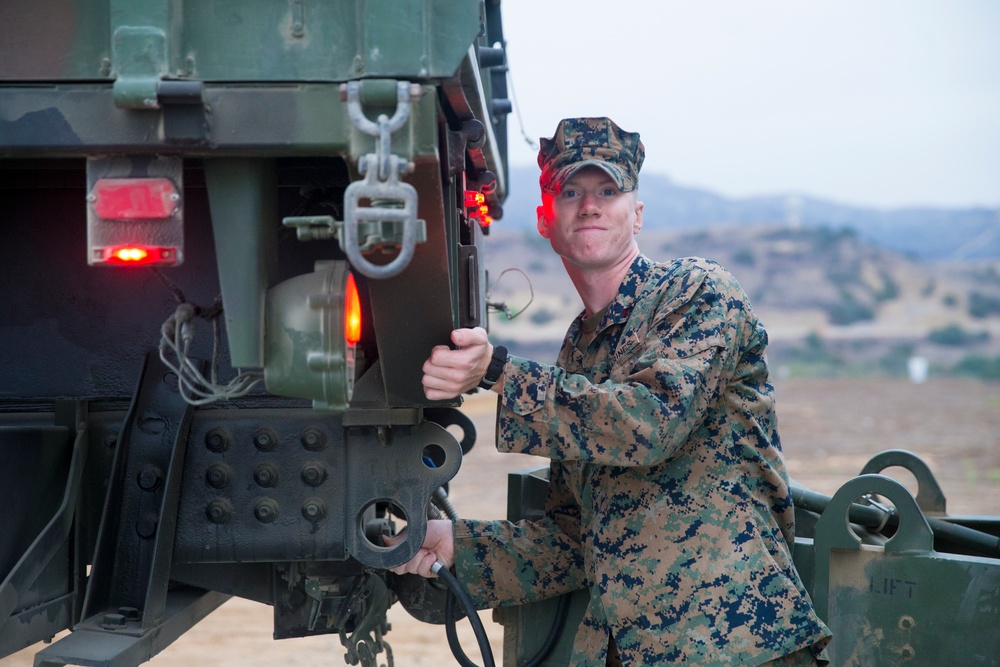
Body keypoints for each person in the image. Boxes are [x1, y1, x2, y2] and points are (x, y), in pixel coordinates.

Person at [391, 117, 832, 666]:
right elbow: (578, 537)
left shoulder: (697, 291)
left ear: (637, 212)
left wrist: (497, 371)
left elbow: (648, 424)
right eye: (570, 191)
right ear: (545, 221)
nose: (590, 205)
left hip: (733, 646)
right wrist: (460, 544)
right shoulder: (580, 351)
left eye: (608, 190)